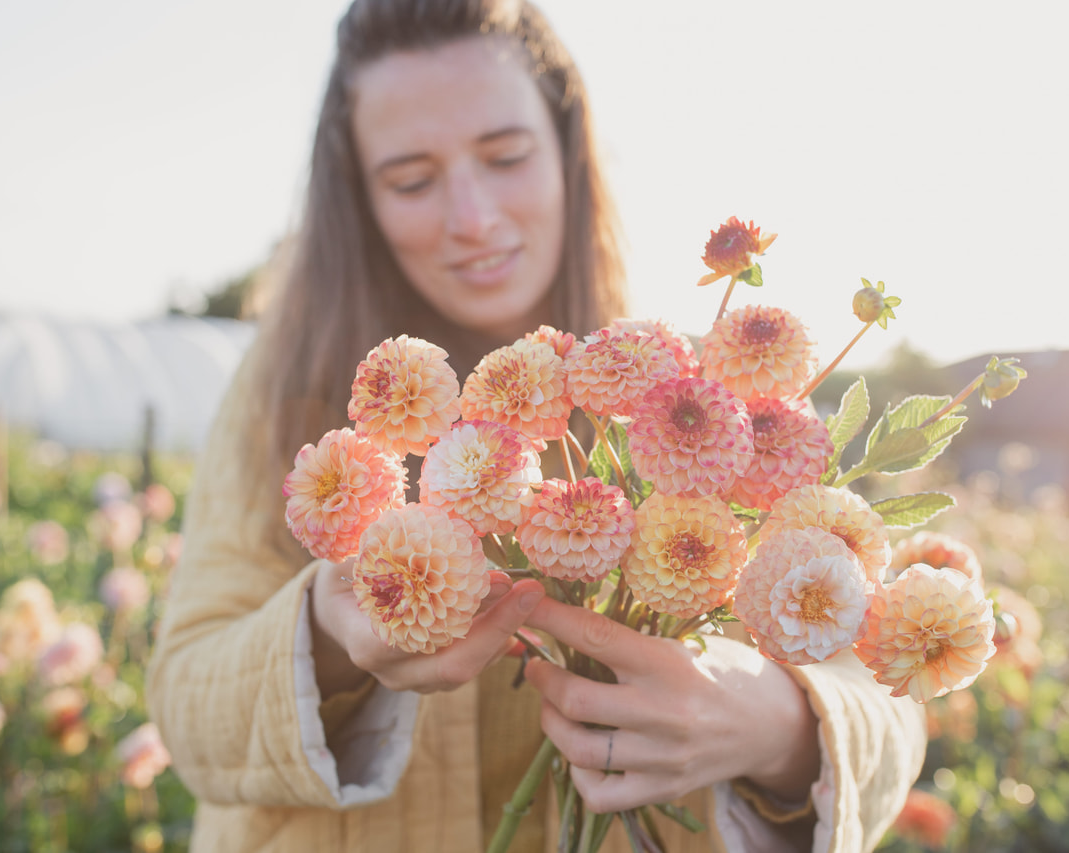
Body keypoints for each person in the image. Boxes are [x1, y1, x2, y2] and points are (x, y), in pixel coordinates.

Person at [145, 1, 927, 851]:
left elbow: (888, 687)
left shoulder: (694, 394)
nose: (473, 217)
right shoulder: (282, 394)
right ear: (359, 200)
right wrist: (329, 633)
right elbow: (187, 710)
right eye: (412, 179)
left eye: (506, 156)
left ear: (568, 153)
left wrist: (784, 729)